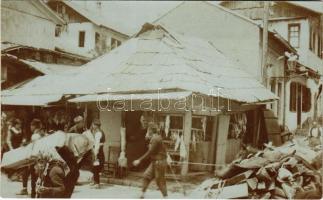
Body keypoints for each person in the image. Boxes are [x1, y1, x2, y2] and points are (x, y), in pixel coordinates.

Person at [133, 125, 168, 199]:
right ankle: (142, 194)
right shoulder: (156, 137)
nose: (147, 132)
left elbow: (150, 152)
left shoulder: (155, 139)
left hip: (159, 162)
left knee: (159, 182)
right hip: (155, 162)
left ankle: (166, 197)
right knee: (146, 176)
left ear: (151, 131)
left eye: (148, 130)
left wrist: (139, 160)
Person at [17, 119, 44, 197]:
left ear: (34, 126)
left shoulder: (35, 135)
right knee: (39, 177)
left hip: (35, 159)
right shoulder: (41, 133)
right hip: (41, 158)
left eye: (31, 126)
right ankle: (37, 194)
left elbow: (34, 148)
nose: (30, 127)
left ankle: (33, 194)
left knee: (33, 177)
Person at [83, 119, 105, 189]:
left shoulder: (98, 133)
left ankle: (97, 183)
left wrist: (95, 154)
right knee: (94, 167)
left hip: (98, 152)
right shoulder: (100, 132)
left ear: (96, 126)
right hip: (100, 151)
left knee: (96, 167)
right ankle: (95, 181)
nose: (92, 126)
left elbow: (97, 145)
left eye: (93, 125)